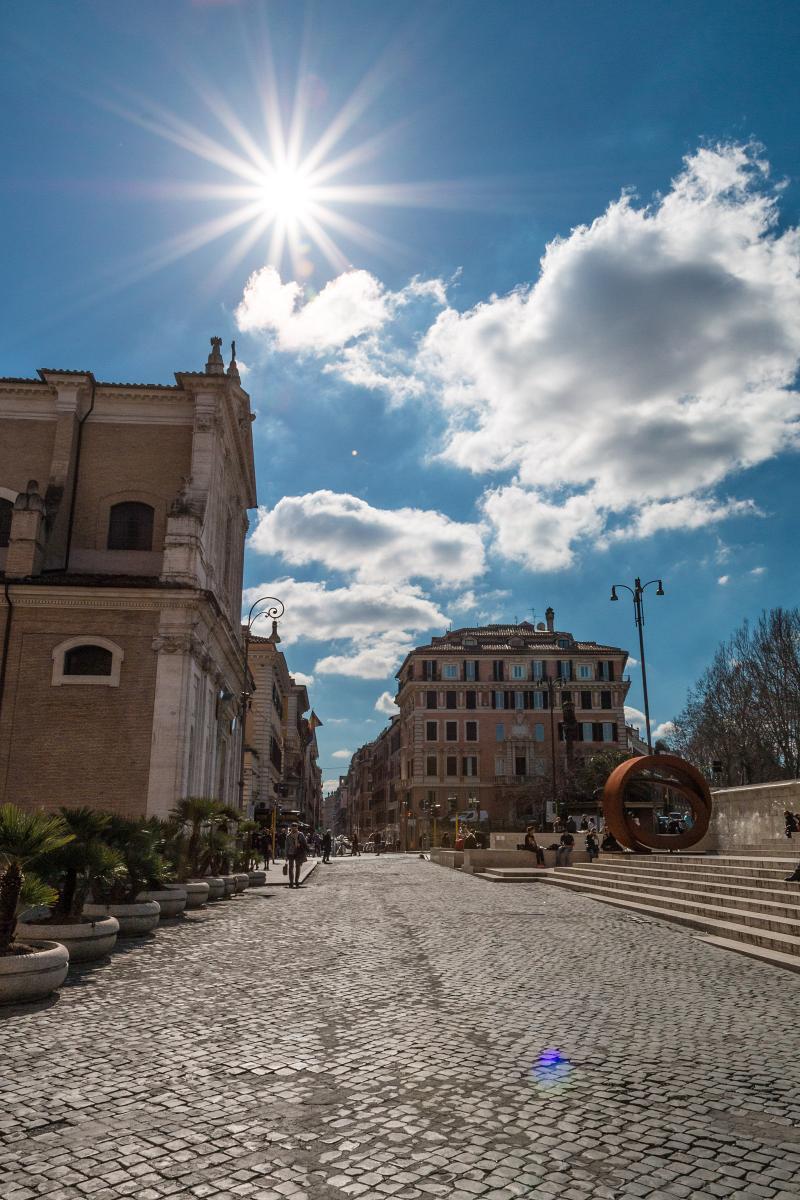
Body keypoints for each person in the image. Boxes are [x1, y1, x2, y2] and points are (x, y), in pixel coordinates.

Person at [284, 822, 308, 889]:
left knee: (298, 867)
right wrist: (286, 855)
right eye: (293, 828)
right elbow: (286, 846)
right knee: (290, 868)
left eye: (295, 828)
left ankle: (296, 882)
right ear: (291, 828)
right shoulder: (288, 836)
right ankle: (291, 882)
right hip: (290, 853)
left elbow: (305, 843)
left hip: (298, 853)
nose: (294, 829)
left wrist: (300, 844)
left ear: (297, 828)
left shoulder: (301, 835)